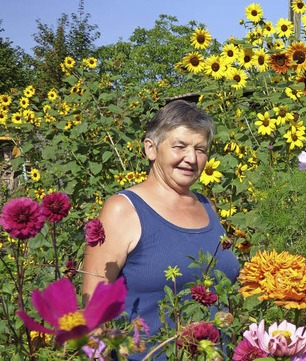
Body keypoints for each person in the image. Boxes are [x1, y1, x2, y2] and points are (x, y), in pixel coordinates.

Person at [82, 99, 240, 360]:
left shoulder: (206, 205)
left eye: (200, 149)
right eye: (180, 146)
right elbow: (94, 313)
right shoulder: (123, 209)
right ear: (151, 149)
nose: (191, 158)